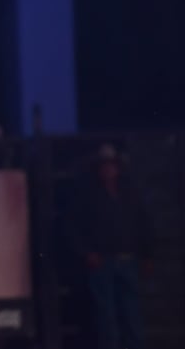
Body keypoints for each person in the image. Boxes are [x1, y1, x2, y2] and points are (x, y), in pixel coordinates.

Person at [66, 143, 153, 349]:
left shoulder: (129, 193)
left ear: (118, 167)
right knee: (107, 317)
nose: (108, 169)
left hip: (127, 258)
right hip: (102, 261)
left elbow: (143, 223)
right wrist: (86, 253)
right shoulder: (87, 195)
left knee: (131, 314)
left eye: (111, 165)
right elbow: (71, 227)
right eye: (104, 165)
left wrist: (147, 255)